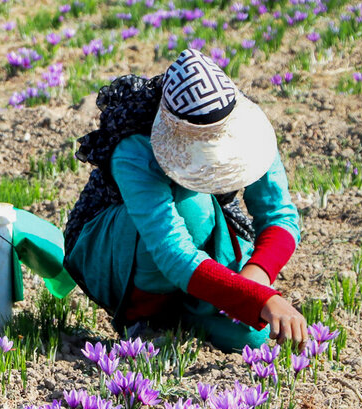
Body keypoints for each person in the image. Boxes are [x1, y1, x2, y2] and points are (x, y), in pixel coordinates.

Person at [63, 49, 307, 350]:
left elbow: (279, 216)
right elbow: (171, 251)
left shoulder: (244, 123)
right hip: (119, 252)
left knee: (252, 335)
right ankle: (146, 319)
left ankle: (187, 311)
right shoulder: (135, 148)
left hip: (199, 245)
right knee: (193, 204)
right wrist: (260, 298)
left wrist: (256, 279)